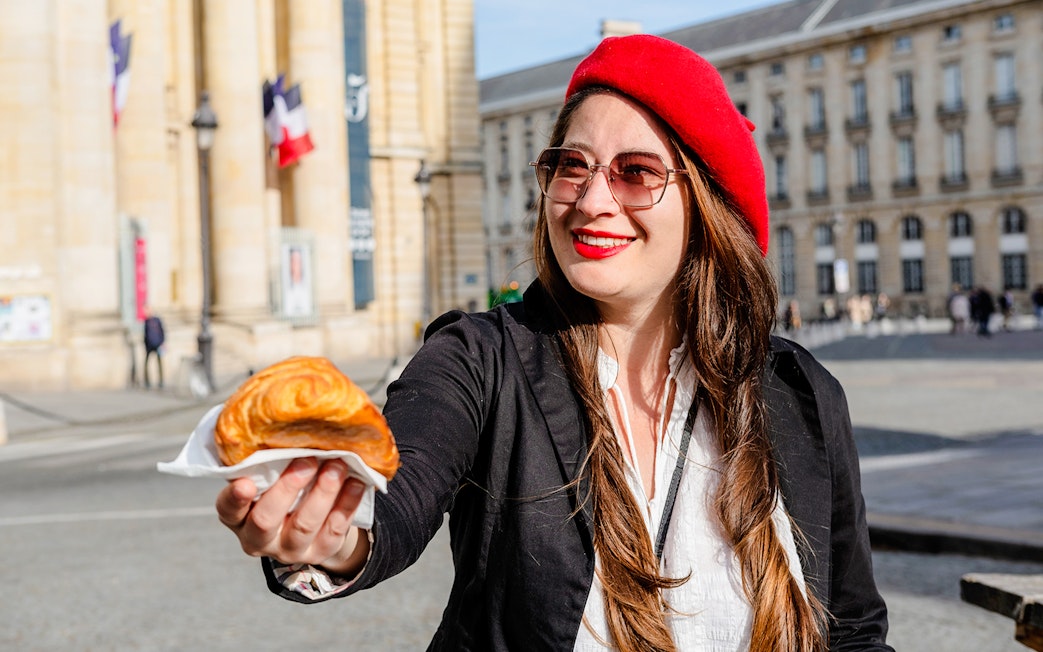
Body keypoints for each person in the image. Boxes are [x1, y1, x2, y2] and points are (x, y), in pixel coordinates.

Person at [215, 35, 892, 651]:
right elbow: (397, 492)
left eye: (634, 171)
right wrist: (334, 538)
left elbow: (853, 628)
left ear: (707, 202)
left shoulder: (797, 391)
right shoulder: (481, 359)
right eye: (572, 166)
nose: (591, 199)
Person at [142, 307, 165, 389]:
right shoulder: (146, 322)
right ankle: (147, 381)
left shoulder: (156, 320)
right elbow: (145, 336)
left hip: (157, 345)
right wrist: (145, 346)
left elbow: (162, 332)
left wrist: (162, 343)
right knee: (146, 364)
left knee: (159, 364)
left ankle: (161, 381)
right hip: (149, 347)